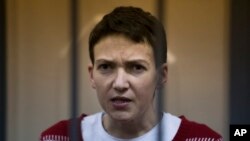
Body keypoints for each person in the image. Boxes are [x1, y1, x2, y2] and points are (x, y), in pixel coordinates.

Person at [40, 6, 223, 141]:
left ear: (162, 76)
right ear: (91, 75)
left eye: (136, 67)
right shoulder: (59, 137)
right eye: (106, 67)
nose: (119, 84)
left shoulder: (202, 139)